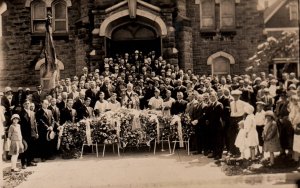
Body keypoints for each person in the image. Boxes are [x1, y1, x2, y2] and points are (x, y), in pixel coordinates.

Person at [229, 90, 248, 157]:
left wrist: (244, 118)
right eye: (234, 95)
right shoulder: (231, 103)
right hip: (233, 119)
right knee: (232, 135)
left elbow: (248, 109)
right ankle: (233, 151)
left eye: (237, 96)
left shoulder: (243, 103)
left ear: (239, 96)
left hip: (239, 119)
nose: (235, 97)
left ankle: (239, 151)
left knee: (240, 135)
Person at [19, 100, 38, 169]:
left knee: (31, 148)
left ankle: (30, 161)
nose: (27, 105)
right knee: (24, 148)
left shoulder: (32, 113)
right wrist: (20, 135)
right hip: (24, 133)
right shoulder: (21, 113)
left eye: (28, 103)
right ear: (23, 105)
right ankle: (23, 163)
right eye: (26, 104)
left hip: (32, 133)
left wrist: (36, 132)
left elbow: (34, 124)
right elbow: (19, 125)